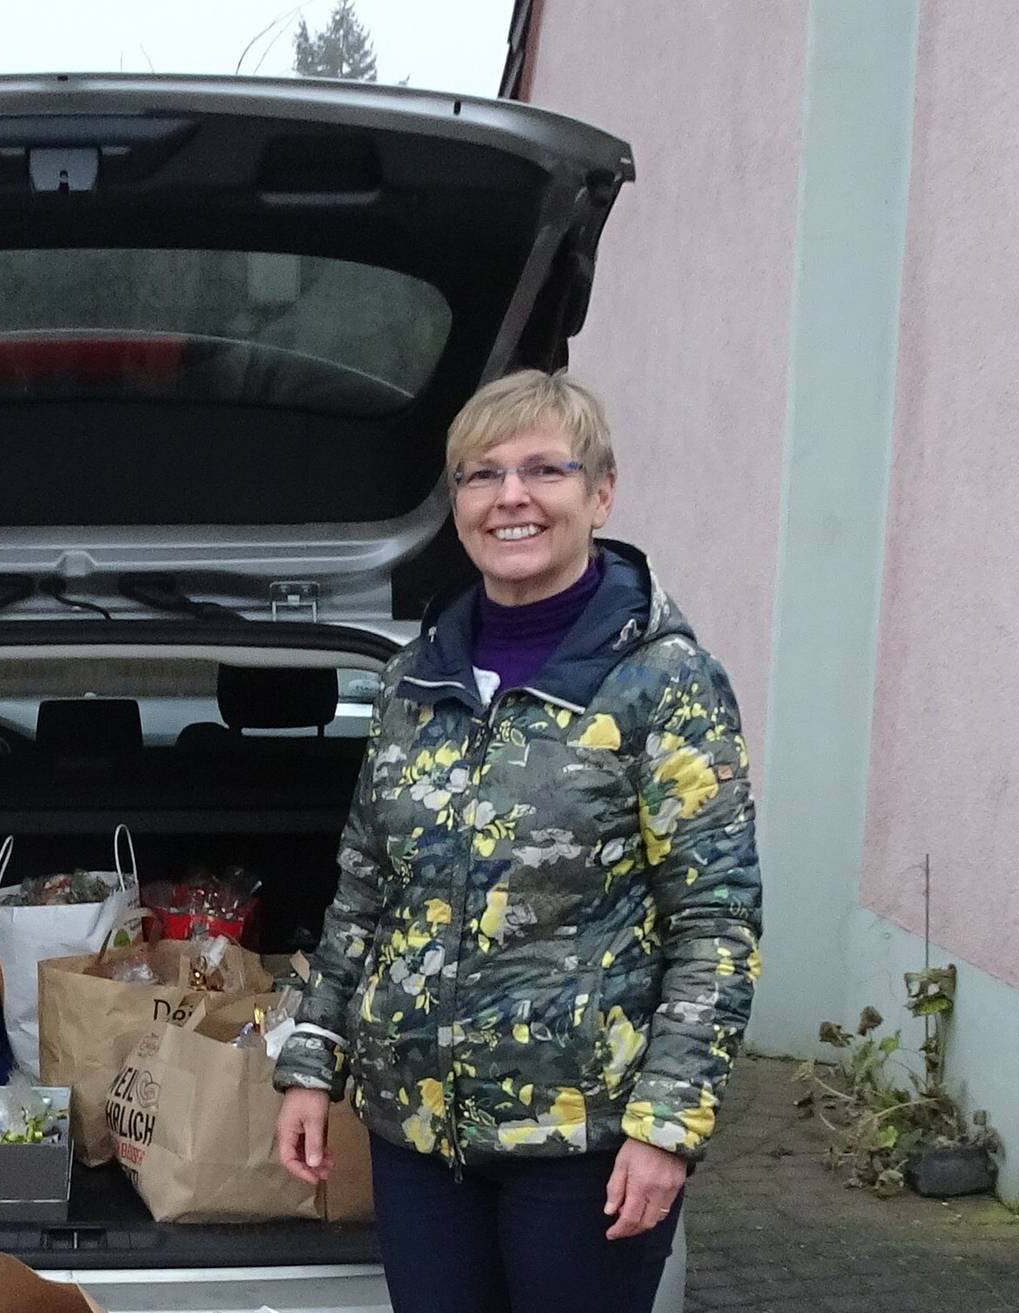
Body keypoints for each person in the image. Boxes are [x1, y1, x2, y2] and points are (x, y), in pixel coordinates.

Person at [273, 370, 761, 1313]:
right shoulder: (419, 678)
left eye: (545, 469)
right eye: (481, 474)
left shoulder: (664, 681)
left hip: (582, 1145)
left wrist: (666, 1126)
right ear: (456, 503)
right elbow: (364, 894)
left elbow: (717, 923)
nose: (512, 498)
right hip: (420, 1138)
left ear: (601, 492)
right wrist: (309, 1064)